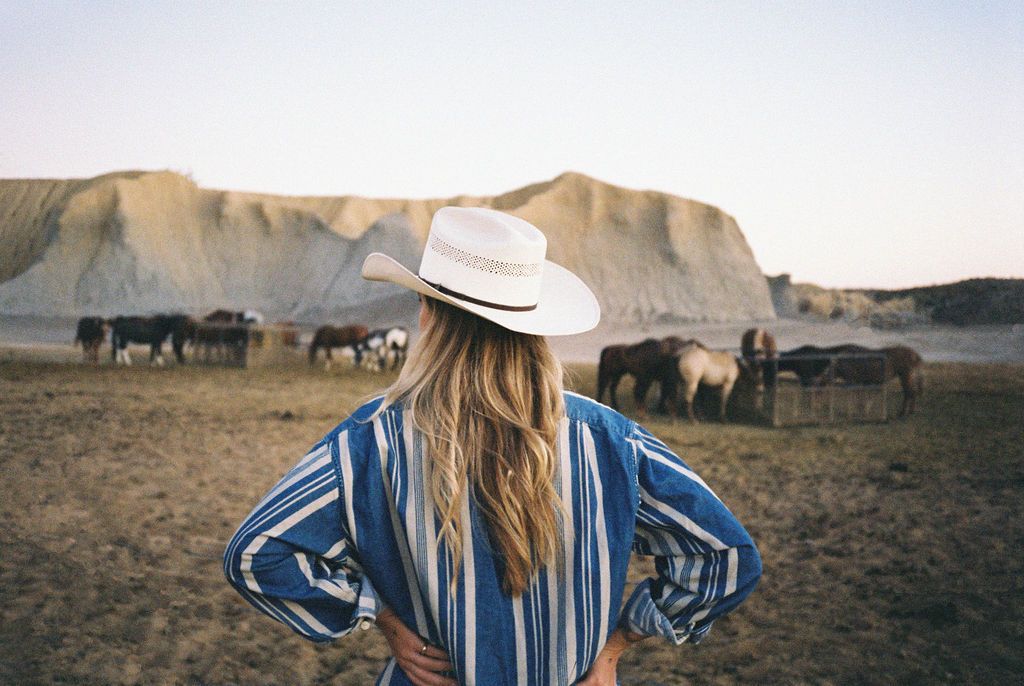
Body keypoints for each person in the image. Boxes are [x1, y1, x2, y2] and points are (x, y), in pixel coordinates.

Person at [224, 207, 762, 685]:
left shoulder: (369, 442)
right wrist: (617, 647)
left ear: (426, 312)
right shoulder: (610, 440)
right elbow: (725, 557)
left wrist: (380, 616)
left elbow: (256, 554)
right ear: (533, 326)